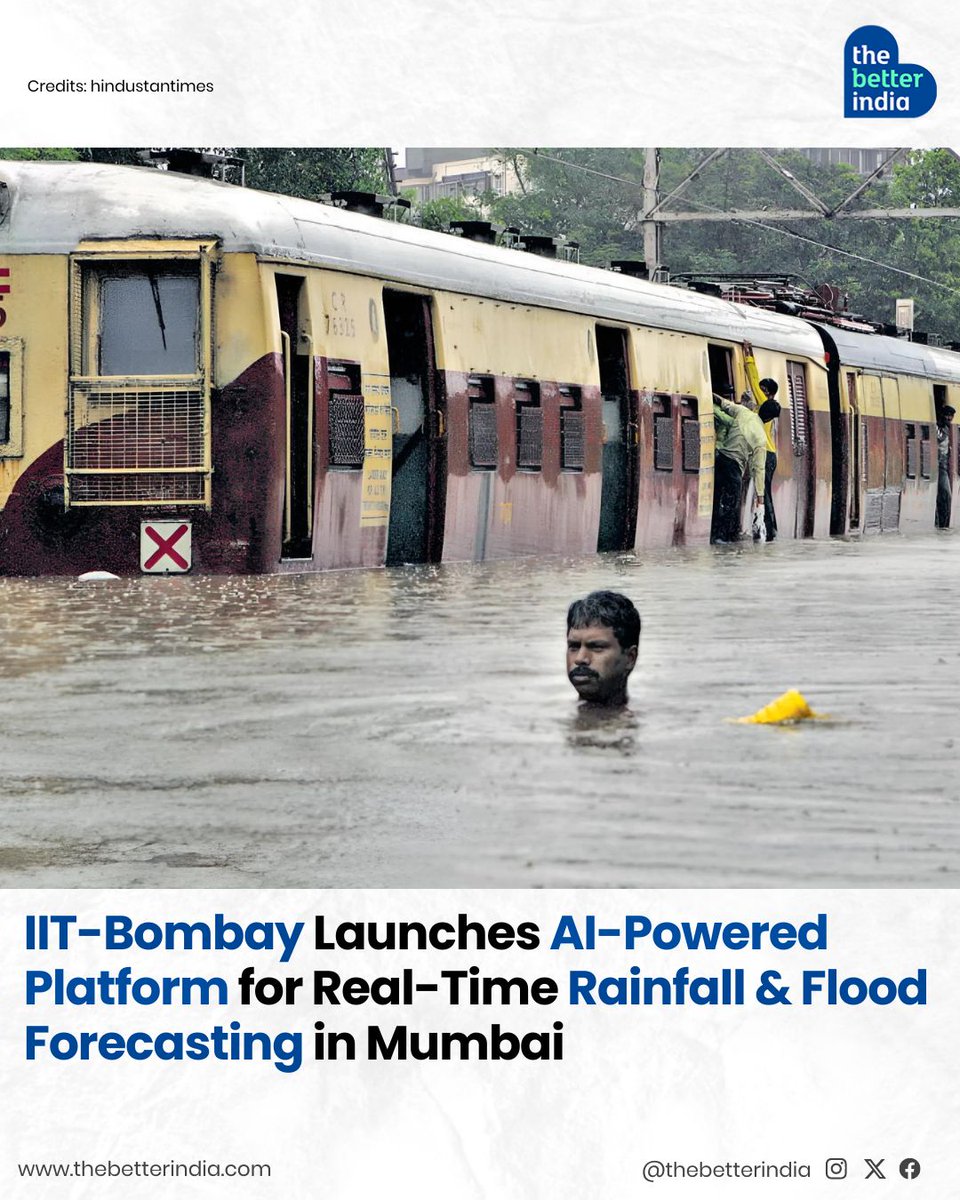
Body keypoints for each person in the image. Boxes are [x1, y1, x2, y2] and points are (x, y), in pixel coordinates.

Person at [566, 590, 641, 707]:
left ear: (630, 658)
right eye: (574, 646)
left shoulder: (654, 721)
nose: (580, 659)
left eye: (596, 647)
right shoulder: (544, 716)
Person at [710, 391, 766, 543]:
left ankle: (713, 534)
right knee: (731, 503)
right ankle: (723, 538)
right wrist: (760, 499)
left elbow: (725, 405)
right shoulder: (761, 437)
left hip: (720, 459)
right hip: (734, 466)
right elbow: (759, 470)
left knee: (716, 497)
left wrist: (711, 395)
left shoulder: (742, 413)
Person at [742, 341, 782, 541]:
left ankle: (768, 530)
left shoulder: (765, 403)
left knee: (763, 493)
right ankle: (768, 529)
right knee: (764, 493)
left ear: (770, 393)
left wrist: (748, 358)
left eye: (764, 390)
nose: (760, 392)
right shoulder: (767, 407)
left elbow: (754, 379)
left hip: (766, 454)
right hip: (770, 454)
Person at [936, 403, 956, 528]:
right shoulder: (939, 428)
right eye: (947, 415)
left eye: (951, 416)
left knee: (946, 495)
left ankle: (943, 525)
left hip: (943, 465)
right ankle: (941, 525)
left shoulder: (947, 429)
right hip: (937, 465)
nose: (949, 418)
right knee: (945, 493)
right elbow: (938, 438)